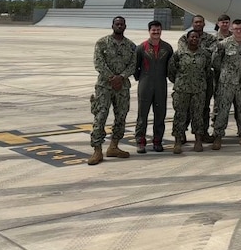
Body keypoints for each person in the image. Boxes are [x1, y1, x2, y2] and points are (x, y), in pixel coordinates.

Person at [88, 16, 137, 165]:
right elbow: (98, 63)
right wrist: (111, 78)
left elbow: (133, 65)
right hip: (104, 86)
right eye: (117, 24)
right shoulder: (102, 43)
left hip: (122, 86)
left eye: (122, 24)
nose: (119, 26)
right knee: (100, 116)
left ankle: (114, 146)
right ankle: (97, 150)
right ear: (112, 25)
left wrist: (121, 77)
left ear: (125, 26)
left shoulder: (131, 46)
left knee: (121, 116)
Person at [212, 19, 241, 149]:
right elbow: (216, 62)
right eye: (236, 29)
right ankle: (218, 136)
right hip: (227, 83)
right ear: (232, 29)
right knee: (222, 110)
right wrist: (227, 72)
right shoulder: (224, 44)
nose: (239, 31)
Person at [168, 30, 212, 154]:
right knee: (180, 115)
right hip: (182, 90)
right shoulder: (179, 54)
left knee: (198, 115)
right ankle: (178, 140)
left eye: (196, 37)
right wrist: (180, 81)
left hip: (198, 90)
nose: (194, 39)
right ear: (187, 39)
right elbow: (171, 71)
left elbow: (207, 71)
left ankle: (198, 140)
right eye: (192, 37)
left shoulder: (205, 55)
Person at [133, 20, 173, 154]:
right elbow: (135, 67)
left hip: (161, 83)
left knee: (160, 114)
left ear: (161, 30)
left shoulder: (167, 48)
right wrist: (143, 78)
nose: (156, 32)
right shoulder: (141, 47)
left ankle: (157, 141)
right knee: (142, 114)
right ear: (149, 31)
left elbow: (170, 67)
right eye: (153, 30)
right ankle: (140, 142)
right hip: (145, 82)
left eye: (158, 30)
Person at [177, 14, 218, 142]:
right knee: (185, 108)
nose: (198, 24)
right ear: (193, 23)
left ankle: (203, 132)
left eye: (201, 22)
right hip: (187, 79)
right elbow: (183, 53)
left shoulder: (211, 38)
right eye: (196, 22)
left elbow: (211, 54)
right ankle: (182, 132)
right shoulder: (184, 38)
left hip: (204, 78)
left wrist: (196, 48)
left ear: (204, 24)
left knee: (204, 107)